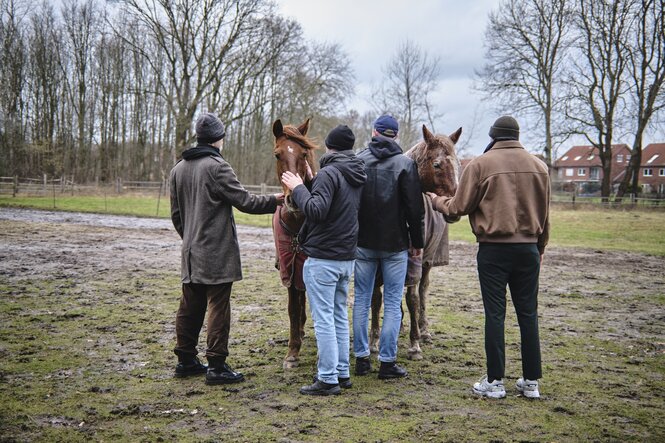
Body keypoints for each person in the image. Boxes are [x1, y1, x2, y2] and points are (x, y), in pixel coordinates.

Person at [426, 115, 550, 399]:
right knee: (528, 314)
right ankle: (531, 381)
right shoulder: (539, 167)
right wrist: (540, 247)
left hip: (494, 249)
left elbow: (458, 207)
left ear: (493, 137)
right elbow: (545, 214)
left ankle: (495, 381)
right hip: (529, 249)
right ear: (517, 136)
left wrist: (434, 200)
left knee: (496, 314)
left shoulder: (480, 165)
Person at [170, 112, 283, 385]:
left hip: (191, 251)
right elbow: (245, 201)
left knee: (190, 305)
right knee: (218, 307)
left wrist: (190, 239)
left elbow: (176, 215)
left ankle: (186, 360)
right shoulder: (217, 167)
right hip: (217, 253)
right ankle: (217, 365)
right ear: (220, 138)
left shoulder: (178, 169)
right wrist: (278, 200)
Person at [281, 124, 366, 396]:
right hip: (345, 258)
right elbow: (335, 203)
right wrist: (312, 180)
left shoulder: (330, 172)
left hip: (323, 259)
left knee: (324, 319)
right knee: (340, 316)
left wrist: (297, 187)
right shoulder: (355, 172)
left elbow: (316, 210)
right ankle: (342, 372)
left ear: (329, 147)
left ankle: (327, 378)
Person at [352, 115, 425, 379]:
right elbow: (415, 209)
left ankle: (361, 359)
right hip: (395, 244)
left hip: (362, 242)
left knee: (361, 299)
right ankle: (387, 362)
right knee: (393, 302)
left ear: (374, 132)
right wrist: (417, 242)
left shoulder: (358, 161)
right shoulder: (406, 165)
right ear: (396, 135)